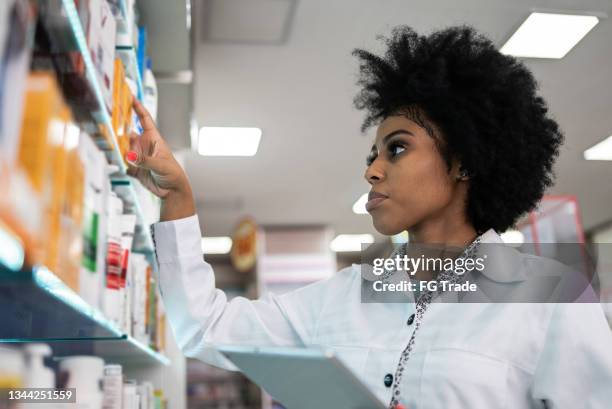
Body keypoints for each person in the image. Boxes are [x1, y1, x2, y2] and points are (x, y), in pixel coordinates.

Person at [126, 26, 612, 409]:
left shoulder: (555, 302)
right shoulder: (343, 296)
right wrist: (179, 201)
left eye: (397, 149)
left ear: (464, 160)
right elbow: (206, 328)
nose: (372, 170)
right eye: (372, 153)